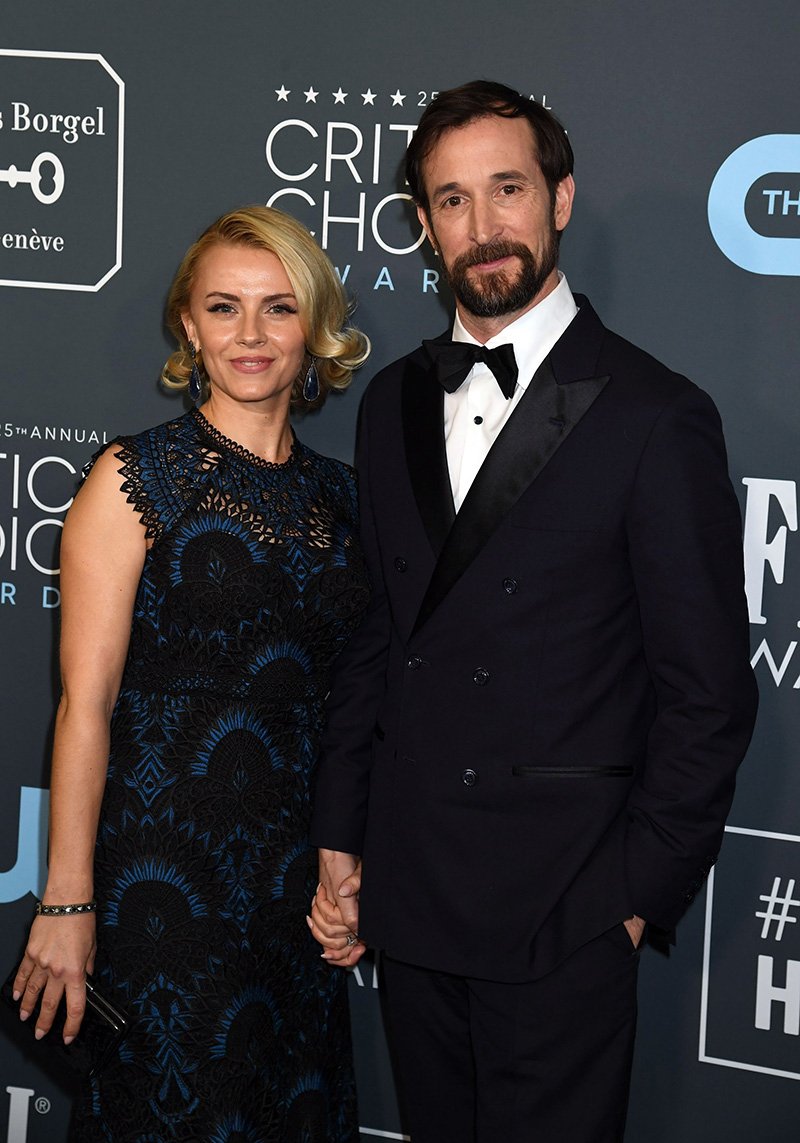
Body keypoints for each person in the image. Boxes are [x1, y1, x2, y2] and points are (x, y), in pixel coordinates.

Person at [307, 81, 758, 1143]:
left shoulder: (655, 415)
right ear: (421, 224)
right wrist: (340, 832)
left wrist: (630, 900)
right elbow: (379, 636)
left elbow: (707, 695)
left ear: (558, 197)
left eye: (506, 189)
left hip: (561, 909)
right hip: (414, 897)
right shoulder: (389, 404)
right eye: (450, 200)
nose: (482, 227)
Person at [12, 205, 370, 1141]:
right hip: (162, 896)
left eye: (278, 309)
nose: (250, 335)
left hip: (294, 893)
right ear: (188, 327)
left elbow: (357, 705)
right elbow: (82, 708)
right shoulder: (135, 480)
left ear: (316, 328)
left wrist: (346, 863)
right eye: (223, 307)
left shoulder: (347, 499)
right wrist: (68, 899)